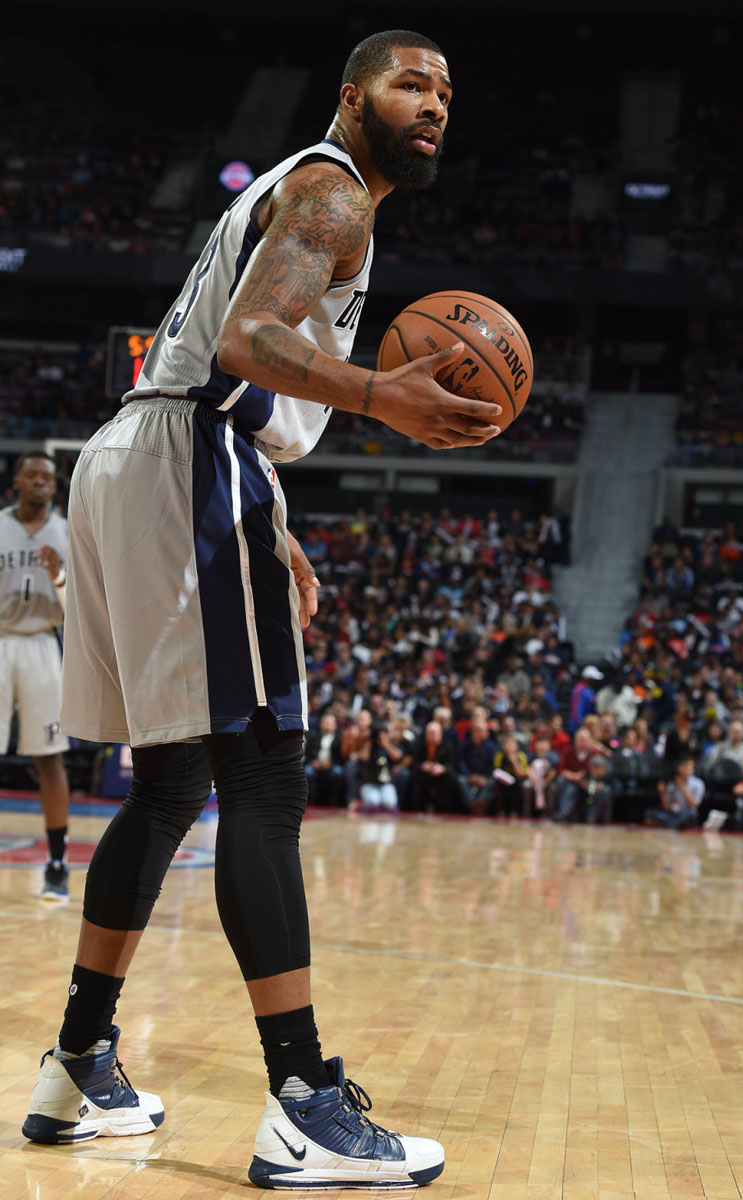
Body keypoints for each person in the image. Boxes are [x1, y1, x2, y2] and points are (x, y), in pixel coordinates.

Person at [22, 30, 503, 1191]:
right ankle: (303, 1100)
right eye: (409, 83)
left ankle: (77, 1061)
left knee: (176, 781)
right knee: (263, 773)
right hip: (190, 452)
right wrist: (380, 393)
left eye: (445, 91)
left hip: (149, 453)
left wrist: (267, 515)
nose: (432, 104)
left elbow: (219, 362)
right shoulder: (336, 194)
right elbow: (249, 344)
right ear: (354, 97)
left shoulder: (318, 193)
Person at [0, 454, 71, 898]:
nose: (40, 482)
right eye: (33, 475)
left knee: (49, 757)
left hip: (44, 643)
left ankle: (58, 862)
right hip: (0, 638)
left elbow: (77, 610)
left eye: (47, 477)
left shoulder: (65, 533)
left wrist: (59, 576)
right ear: (17, 481)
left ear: (54, 487)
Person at [644, 756, 704, 829]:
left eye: (691, 766)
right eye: (686, 766)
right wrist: (662, 793)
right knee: (650, 813)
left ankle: (671, 824)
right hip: (673, 813)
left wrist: (682, 786)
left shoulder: (698, 783)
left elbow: (695, 804)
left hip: (687, 813)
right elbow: (666, 808)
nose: (688, 768)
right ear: (679, 767)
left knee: (692, 814)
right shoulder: (672, 783)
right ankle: (673, 823)